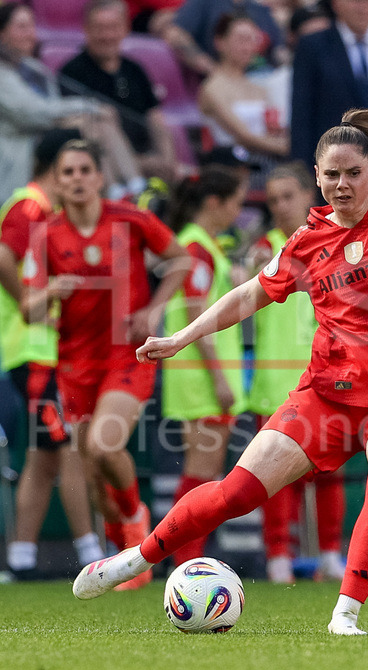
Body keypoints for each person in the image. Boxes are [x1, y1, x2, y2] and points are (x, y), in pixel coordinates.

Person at [71, 49, 368, 636]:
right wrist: (183, 336)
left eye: (353, 173)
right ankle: (135, 558)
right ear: (317, 176)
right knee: (236, 491)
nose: (341, 184)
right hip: (327, 395)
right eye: (331, 174)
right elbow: (247, 297)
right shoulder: (306, 242)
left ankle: (345, 614)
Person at [22, 139, 191, 590]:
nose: (76, 178)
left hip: (127, 355)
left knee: (101, 445)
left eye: (84, 170)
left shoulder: (131, 219)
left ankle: (136, 520)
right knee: (95, 475)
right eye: (67, 172)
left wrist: (155, 309)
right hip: (75, 364)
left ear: (99, 177)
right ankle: (124, 551)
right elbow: (28, 310)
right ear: (57, 182)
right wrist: (49, 293)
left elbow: (180, 258)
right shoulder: (46, 236)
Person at [0, 128, 105, 579]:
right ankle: (91, 554)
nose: (78, 177)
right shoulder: (31, 206)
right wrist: (30, 305)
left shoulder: (40, 209)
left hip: (37, 352)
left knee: (45, 456)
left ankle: (21, 556)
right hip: (38, 353)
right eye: (71, 168)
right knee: (71, 446)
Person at [251, 163, 346, 584]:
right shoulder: (262, 250)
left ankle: (330, 556)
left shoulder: (339, 241)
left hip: (326, 376)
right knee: (274, 477)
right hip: (276, 381)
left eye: (287, 196)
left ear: (311, 193)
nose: (279, 207)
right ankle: (279, 560)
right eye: (272, 200)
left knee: (329, 474)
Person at [0, 3, 138, 219]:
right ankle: (123, 193)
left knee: (97, 124)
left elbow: (50, 113)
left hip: (35, 138)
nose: (30, 34)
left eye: (32, 26)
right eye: (21, 27)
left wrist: (86, 114)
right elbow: (31, 113)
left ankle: (130, 189)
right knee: (92, 122)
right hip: (6, 153)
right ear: (0, 34)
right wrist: (90, 106)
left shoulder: (35, 69)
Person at [160, 165, 250, 567]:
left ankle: (186, 557)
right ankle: (184, 558)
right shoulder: (194, 247)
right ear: (214, 203)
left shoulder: (203, 246)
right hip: (201, 380)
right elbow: (198, 315)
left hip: (203, 377)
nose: (238, 211)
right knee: (201, 473)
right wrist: (218, 378)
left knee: (207, 474)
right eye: (235, 203)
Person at [290, 0, 368, 170]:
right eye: (355, 1)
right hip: (336, 166)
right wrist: (304, 170)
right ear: (336, 4)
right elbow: (302, 115)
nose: (363, 6)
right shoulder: (313, 47)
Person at [59, 0, 178, 184]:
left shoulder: (135, 69)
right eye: (100, 28)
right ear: (86, 29)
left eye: (113, 27)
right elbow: (84, 133)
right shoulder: (71, 73)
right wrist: (140, 163)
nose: (107, 35)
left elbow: (155, 118)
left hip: (148, 161)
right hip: (107, 171)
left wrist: (167, 161)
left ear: (125, 29)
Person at [198, 14, 290, 165]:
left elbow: (273, 128)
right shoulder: (212, 88)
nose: (247, 47)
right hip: (233, 163)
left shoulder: (258, 87)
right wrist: (290, 148)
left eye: (252, 40)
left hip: (268, 158)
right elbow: (243, 135)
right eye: (241, 39)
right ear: (220, 42)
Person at [164, 0, 285, 76]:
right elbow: (175, 34)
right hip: (219, 83)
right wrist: (212, 69)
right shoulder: (206, 3)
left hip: (263, 80)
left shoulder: (260, 10)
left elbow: (280, 51)